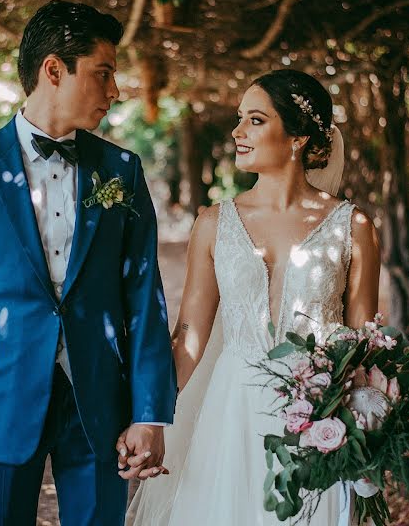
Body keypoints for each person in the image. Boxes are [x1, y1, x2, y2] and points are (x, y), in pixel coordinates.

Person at [0, 0, 177, 526]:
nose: (114, 91)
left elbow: (144, 299)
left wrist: (150, 413)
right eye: (103, 74)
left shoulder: (122, 171)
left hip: (101, 402)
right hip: (0, 400)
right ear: (53, 70)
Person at [127, 69, 381, 526]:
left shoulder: (353, 228)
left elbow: (365, 347)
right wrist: (149, 415)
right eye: (240, 118)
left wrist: (368, 430)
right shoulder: (213, 223)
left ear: (298, 136)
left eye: (256, 120)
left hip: (318, 425)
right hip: (230, 416)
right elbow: (188, 337)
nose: (238, 131)